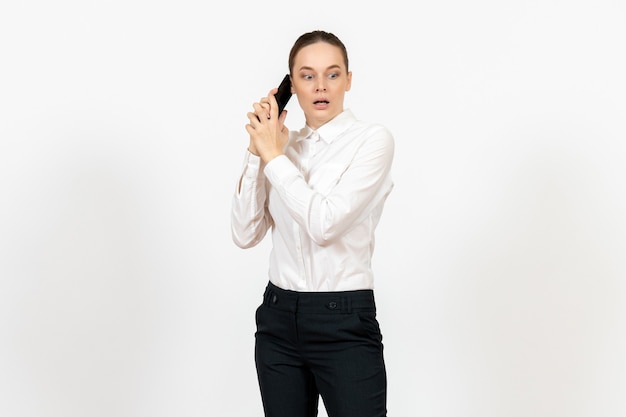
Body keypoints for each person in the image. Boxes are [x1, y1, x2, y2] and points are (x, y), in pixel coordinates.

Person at [231, 30, 394, 417]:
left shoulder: (372, 141)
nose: (321, 86)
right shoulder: (282, 146)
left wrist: (275, 158)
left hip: (344, 323)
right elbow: (244, 233)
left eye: (333, 74)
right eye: (307, 76)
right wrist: (258, 152)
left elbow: (325, 224)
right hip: (278, 319)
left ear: (348, 80)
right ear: (291, 85)